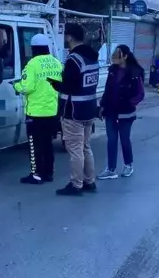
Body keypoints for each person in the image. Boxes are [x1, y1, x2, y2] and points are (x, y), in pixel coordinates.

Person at [48, 22, 99, 197]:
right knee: (85, 146)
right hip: (89, 109)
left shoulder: (73, 60)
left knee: (75, 149)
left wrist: (55, 84)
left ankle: (76, 185)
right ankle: (89, 181)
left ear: (69, 37)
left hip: (73, 111)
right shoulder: (92, 57)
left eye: (65, 35)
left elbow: (69, 86)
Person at [13, 33, 63, 185]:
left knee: (34, 145)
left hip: (35, 113)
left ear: (33, 48)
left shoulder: (32, 64)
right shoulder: (56, 63)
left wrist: (16, 85)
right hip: (52, 111)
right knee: (48, 143)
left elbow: (27, 87)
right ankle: (48, 173)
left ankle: (36, 175)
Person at [97, 44, 145, 179]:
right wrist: (102, 106)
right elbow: (108, 90)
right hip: (111, 111)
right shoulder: (112, 71)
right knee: (111, 140)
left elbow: (140, 94)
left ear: (125, 56)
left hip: (126, 113)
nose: (114, 57)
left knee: (124, 140)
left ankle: (128, 165)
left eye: (117, 54)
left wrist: (129, 103)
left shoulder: (135, 73)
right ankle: (111, 169)